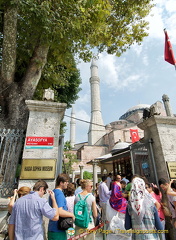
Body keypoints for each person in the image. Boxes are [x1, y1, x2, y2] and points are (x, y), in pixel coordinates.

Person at [48, 174, 74, 240]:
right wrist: (72, 215)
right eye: (66, 182)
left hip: (52, 227)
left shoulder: (54, 192)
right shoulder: (59, 193)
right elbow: (59, 211)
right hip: (58, 228)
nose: (67, 183)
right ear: (61, 183)